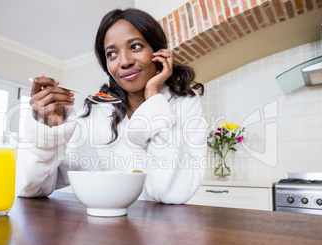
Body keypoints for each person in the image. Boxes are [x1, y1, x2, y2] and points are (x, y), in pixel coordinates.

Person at [17, 8, 208, 204]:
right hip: (100, 227)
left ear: (158, 52)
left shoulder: (183, 102)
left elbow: (171, 193)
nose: (124, 62)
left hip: (162, 231)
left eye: (135, 47)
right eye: (111, 54)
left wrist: (153, 97)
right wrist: (50, 131)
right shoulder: (96, 111)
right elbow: (30, 188)